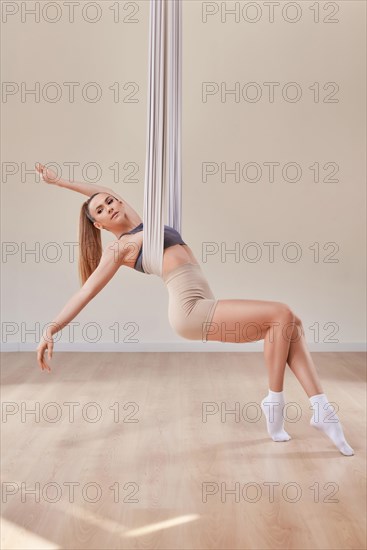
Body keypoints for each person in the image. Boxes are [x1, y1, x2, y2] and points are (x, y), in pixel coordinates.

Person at [35, 162, 354, 456]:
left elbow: (99, 190)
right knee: (281, 313)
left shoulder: (142, 223)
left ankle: (321, 410)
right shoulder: (122, 246)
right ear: (100, 225)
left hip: (204, 303)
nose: (110, 206)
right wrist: (52, 328)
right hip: (190, 312)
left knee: (290, 324)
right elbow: (86, 292)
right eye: (101, 210)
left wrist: (61, 182)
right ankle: (276, 403)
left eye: (110, 201)